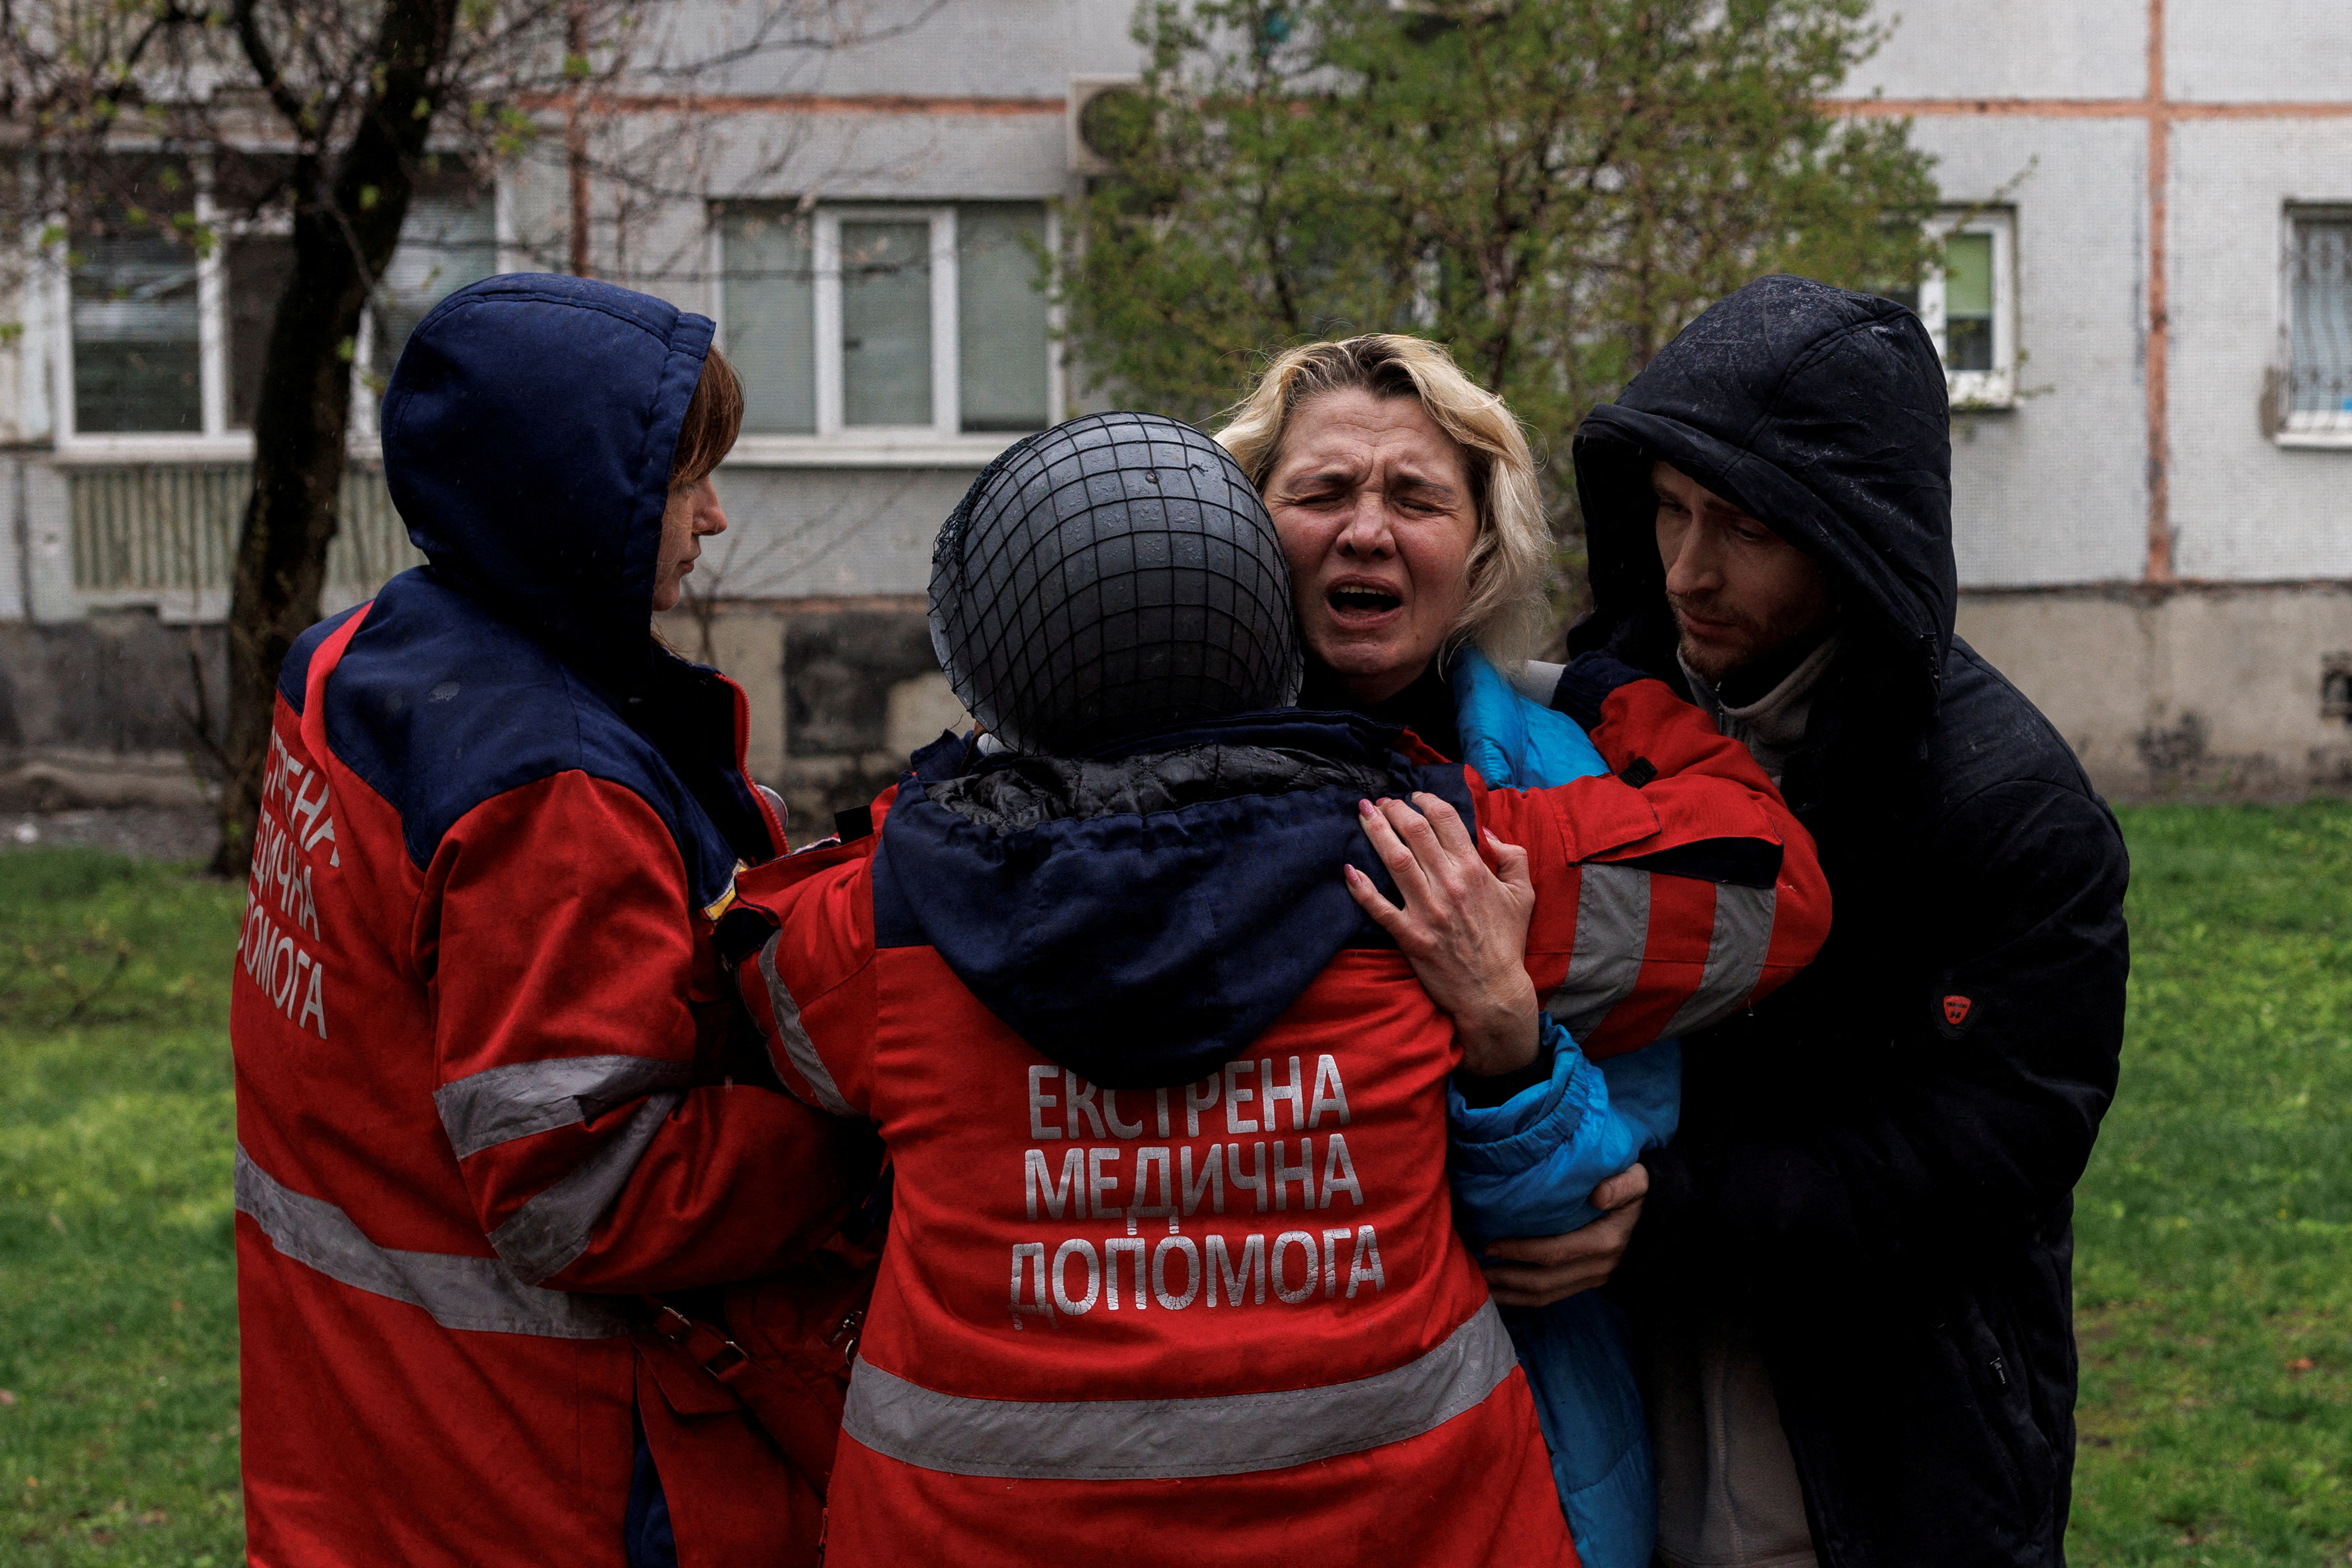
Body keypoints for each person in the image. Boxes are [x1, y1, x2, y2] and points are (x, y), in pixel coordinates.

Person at [719, 411, 1832, 1565]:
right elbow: (1767, 886)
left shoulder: (894, 915)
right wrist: (1618, 689)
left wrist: (925, 823)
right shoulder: (1434, 862)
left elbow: (748, 979)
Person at [230, 274, 869, 1567]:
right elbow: (586, 1187)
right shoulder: (547, 793)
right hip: (550, 1475)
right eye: (683, 480)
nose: (714, 515)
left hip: (367, 1424)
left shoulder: (363, 665)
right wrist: (870, 1147)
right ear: (575, 500)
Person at [1553, 274, 2131, 1567]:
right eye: (1666, 511)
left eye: (1743, 528)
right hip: (1613, 1403)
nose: (1687, 568)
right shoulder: (1588, 733)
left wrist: (1646, 1211)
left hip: (1885, 1444)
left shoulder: (2008, 808)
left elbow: (1983, 1154)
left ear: (1855, 536)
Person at [1214, 333, 1713, 1567]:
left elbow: (1610, 1154)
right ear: (1240, 527)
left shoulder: (1568, 777)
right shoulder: (1142, 768)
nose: (1366, 531)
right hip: (1248, 1430)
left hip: (1524, 1431)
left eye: (1415, 497)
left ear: (1480, 548)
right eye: (1321, 493)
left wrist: (1506, 1040)